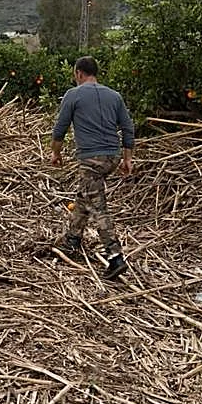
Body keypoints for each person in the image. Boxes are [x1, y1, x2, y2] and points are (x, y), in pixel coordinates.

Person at [48, 56, 134, 280]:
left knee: (98, 206)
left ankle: (115, 257)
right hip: (112, 157)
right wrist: (127, 159)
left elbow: (60, 128)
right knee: (84, 195)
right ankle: (73, 239)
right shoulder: (114, 96)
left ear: (78, 73)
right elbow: (127, 127)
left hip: (91, 159)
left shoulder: (73, 95)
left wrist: (56, 153)